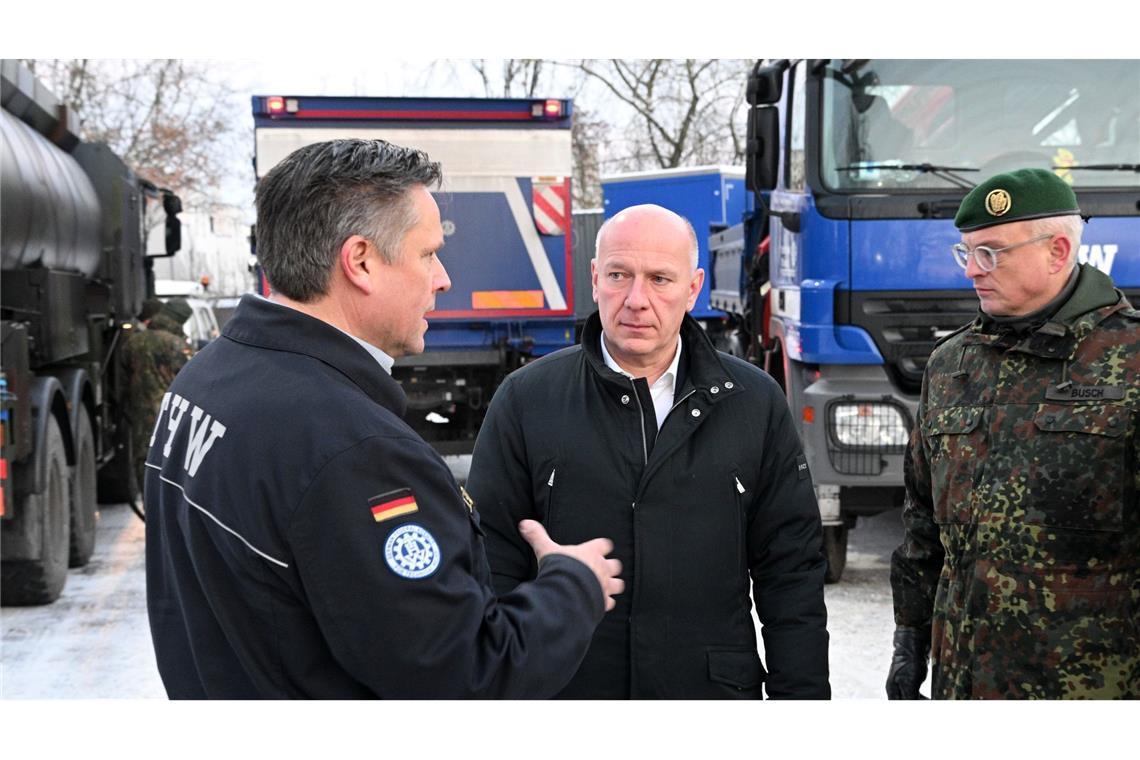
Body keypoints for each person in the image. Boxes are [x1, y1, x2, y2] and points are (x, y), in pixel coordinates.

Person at [144, 138, 624, 699]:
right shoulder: (355, 451)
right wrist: (574, 585)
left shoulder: (205, 379)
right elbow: (465, 676)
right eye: (428, 254)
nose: (443, 278)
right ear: (361, 261)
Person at [467, 204, 830, 699]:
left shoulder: (754, 402)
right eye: (619, 275)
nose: (637, 300)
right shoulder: (526, 400)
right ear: (595, 279)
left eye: (660, 279)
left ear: (693, 288)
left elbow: (791, 572)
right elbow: (490, 566)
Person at [888, 168, 1140, 699]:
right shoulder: (952, 364)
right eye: (966, 252)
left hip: (1093, 691)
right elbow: (922, 523)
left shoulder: (1130, 361)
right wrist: (910, 636)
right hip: (965, 684)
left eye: (991, 253)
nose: (971, 270)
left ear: (1057, 251)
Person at [121, 297, 193, 493]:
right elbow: (194, 382)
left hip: (141, 417)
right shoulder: (177, 345)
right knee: (174, 463)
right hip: (172, 418)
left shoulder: (133, 342)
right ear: (180, 320)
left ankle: (149, 505)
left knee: (144, 462)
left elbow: (123, 379)